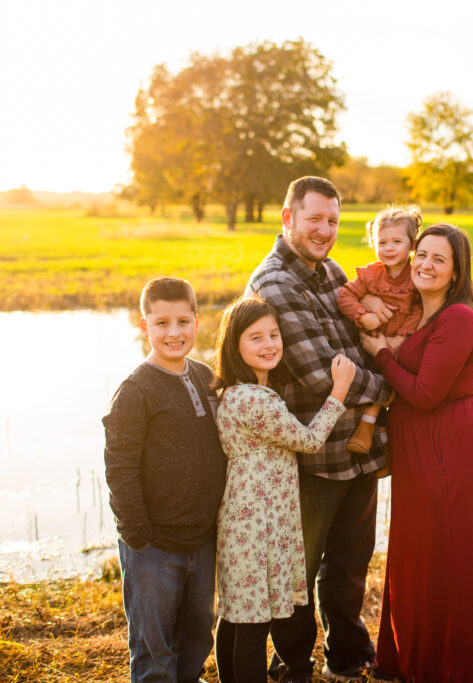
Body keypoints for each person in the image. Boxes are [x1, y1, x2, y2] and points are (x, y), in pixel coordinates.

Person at [245, 176, 392, 682]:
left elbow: (358, 339)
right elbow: (316, 371)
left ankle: (347, 656)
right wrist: (395, 384)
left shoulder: (329, 271)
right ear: (288, 219)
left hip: (357, 448)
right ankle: (293, 665)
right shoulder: (275, 283)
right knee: (298, 570)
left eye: (333, 220)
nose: (325, 230)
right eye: (314, 219)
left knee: (352, 561)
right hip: (310, 452)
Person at [359, 223, 473, 683]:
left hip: (449, 449)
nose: (426, 265)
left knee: (448, 556)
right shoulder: (416, 314)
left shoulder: (458, 318)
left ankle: (454, 663)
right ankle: (413, 654)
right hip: (420, 450)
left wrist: (381, 355)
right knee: (418, 550)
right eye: (421, 255)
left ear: (455, 273)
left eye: (438, 259)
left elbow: (426, 393)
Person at [210, 296, 357, 683]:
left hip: (246, 518)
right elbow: (309, 440)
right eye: (255, 337)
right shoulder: (257, 400)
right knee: (255, 622)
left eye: (274, 334)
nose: (269, 344)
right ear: (235, 346)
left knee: (236, 615)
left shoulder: (234, 393)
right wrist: (339, 390)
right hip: (259, 523)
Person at [102, 276, 225, 682]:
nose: (174, 333)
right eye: (162, 323)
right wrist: (137, 533)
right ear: (144, 327)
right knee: (155, 647)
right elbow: (120, 466)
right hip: (153, 545)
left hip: (201, 538)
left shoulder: (206, 375)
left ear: (196, 321)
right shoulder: (136, 391)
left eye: (183, 322)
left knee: (196, 634)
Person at [336, 204, 423, 454]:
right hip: (369, 342)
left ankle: (373, 431)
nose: (389, 248)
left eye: (397, 241)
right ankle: (368, 432)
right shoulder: (370, 274)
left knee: (394, 376)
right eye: (382, 242)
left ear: (412, 244)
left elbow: (419, 309)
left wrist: (401, 337)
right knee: (371, 376)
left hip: (399, 345)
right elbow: (345, 296)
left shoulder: (416, 275)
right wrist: (364, 317)